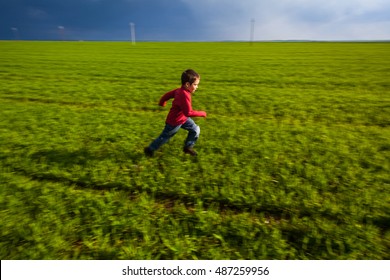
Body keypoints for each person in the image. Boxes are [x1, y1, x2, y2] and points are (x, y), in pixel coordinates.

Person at [144, 69, 207, 156]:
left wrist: (162, 102)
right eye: (195, 85)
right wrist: (202, 113)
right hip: (174, 121)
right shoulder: (184, 94)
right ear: (187, 84)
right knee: (164, 137)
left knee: (195, 129)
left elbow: (167, 95)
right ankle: (150, 149)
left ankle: (188, 147)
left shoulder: (179, 90)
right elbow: (188, 112)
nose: (197, 87)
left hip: (183, 119)